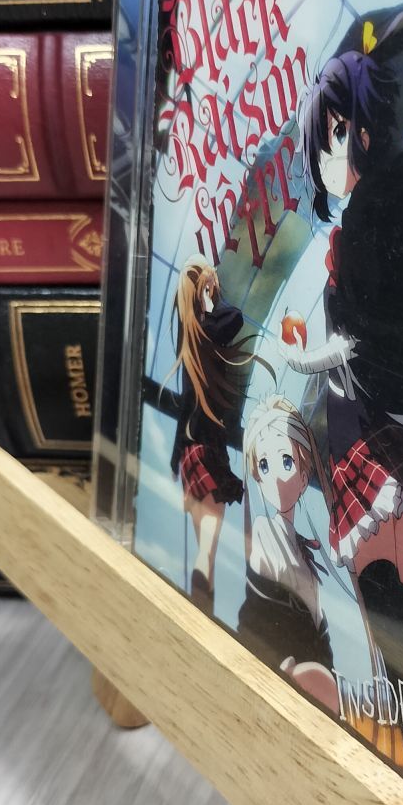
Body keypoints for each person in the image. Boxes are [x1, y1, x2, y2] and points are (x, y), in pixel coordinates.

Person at [282, 10, 403, 792]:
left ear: (358, 131)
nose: (325, 156)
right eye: (321, 139)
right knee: (395, 641)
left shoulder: (373, 224)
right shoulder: (363, 229)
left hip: (376, 455)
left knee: (399, 643)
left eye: (333, 135)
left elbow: (367, 338)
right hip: (362, 449)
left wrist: (310, 352)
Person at [167, 255, 259, 614]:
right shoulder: (209, 331)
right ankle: (202, 595)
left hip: (190, 455)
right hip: (209, 450)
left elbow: (184, 407)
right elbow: (233, 318)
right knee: (208, 546)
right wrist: (210, 300)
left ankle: (202, 605)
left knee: (205, 547)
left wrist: (175, 458)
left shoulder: (190, 343)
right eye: (210, 283)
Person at [237, 395, 338, 713]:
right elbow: (257, 616)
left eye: (286, 462)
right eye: (264, 466)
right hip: (273, 678)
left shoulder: (304, 553)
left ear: (304, 476)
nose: (277, 477)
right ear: (257, 477)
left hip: (314, 690)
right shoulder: (264, 532)